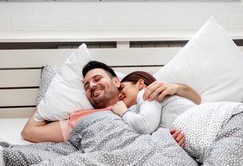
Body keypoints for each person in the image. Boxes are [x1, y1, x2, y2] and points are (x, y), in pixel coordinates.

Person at [21, 61, 201, 143]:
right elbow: (30, 132)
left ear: (117, 82)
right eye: (86, 86)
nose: (91, 85)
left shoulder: (147, 95)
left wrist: (176, 88)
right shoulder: (85, 118)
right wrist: (47, 105)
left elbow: (197, 101)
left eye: (97, 78)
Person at [111, 71, 196, 145]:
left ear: (140, 84)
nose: (119, 95)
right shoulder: (149, 109)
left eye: (122, 88)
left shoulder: (146, 93)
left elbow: (145, 125)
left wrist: (124, 112)